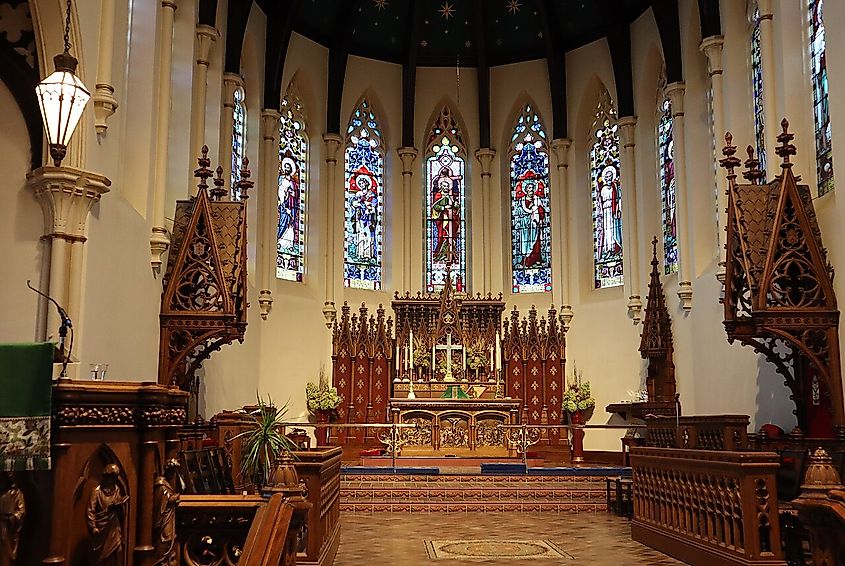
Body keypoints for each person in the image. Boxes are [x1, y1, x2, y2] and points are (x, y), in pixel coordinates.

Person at [87, 464, 129, 566]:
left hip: (115, 526)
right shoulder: (96, 491)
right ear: (106, 477)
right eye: (111, 477)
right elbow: (90, 510)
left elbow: (120, 507)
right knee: (104, 556)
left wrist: (120, 507)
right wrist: (93, 527)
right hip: (102, 528)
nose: (113, 480)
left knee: (118, 550)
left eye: (115, 477)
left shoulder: (117, 489)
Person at [514, 171, 547, 268]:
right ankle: (526, 261)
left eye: (532, 188)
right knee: (526, 243)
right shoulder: (522, 201)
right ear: (526, 189)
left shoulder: (537, 199)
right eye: (529, 188)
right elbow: (519, 212)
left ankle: (537, 260)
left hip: (535, 225)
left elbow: (542, 211)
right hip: (525, 226)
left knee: (536, 242)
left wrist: (538, 210)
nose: (531, 190)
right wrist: (527, 213)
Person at [153, 459, 182, 566]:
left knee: (170, 539)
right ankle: (161, 561)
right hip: (163, 517)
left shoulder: (166, 483)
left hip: (169, 515)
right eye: (173, 472)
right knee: (165, 539)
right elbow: (159, 504)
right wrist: (171, 499)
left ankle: (166, 560)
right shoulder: (160, 484)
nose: (174, 475)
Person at [431, 167, 461, 264]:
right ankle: (439, 255)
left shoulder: (450, 196)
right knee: (441, 236)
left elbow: (456, 208)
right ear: (441, 187)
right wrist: (444, 208)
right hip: (442, 220)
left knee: (452, 236)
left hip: (451, 219)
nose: (446, 188)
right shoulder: (438, 196)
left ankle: (451, 255)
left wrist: (455, 206)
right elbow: (435, 207)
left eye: (447, 186)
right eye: (444, 186)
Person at [596, 164, 622, 257]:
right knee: (606, 230)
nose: (608, 178)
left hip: (612, 212)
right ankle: (607, 249)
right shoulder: (602, 189)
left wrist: (618, 208)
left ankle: (614, 248)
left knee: (613, 229)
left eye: (610, 176)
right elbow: (599, 202)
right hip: (605, 212)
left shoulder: (614, 187)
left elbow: (618, 199)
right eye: (606, 177)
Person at [0, 472, 25, 566]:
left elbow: (21, 512)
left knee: (7, 555)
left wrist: (10, 518)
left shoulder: (16, 493)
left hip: (8, 528)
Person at [277, 157, 299, 252]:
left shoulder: (294, 183)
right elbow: (280, 192)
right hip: (284, 205)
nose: (286, 169)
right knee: (283, 223)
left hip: (292, 206)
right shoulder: (281, 179)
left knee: (291, 225)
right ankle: (280, 241)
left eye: (288, 167)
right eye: (285, 167)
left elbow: (296, 195)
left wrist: (292, 193)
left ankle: (290, 243)